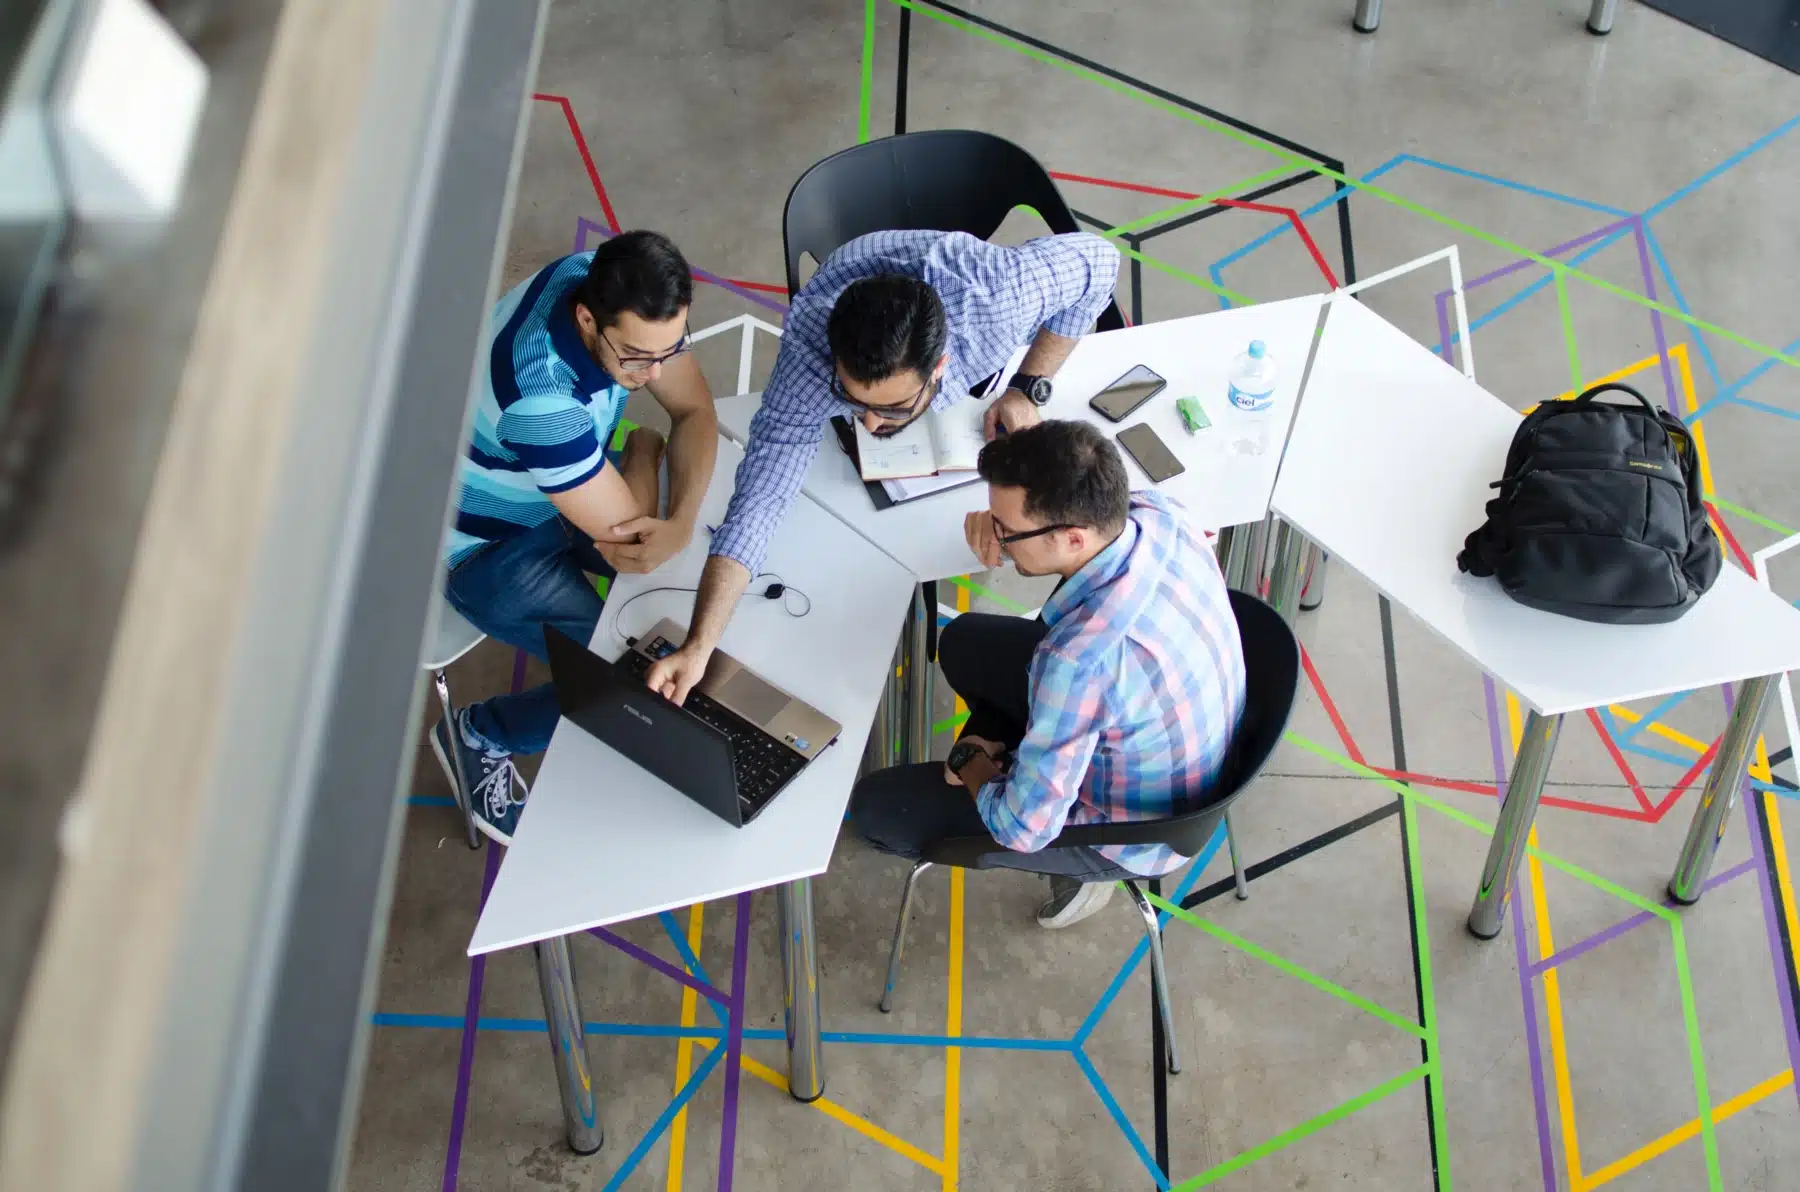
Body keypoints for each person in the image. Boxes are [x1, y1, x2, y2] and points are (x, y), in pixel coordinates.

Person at [643, 229, 1121, 705]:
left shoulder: (998, 300)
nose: (870, 425)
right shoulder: (811, 350)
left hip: (964, 283)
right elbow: (760, 498)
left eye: (892, 409)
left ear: (940, 367)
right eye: (853, 401)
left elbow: (1101, 262)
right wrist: (700, 644)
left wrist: (1028, 384)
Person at [848, 421, 1247, 928]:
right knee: (965, 640)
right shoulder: (1158, 514)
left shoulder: (1077, 661)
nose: (997, 538)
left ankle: (1082, 876)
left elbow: (1021, 827)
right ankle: (1022, 753)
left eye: (1006, 531)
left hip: (1130, 830)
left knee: (877, 808)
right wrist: (995, 523)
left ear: (1072, 537)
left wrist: (972, 758)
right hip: (1182, 744)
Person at [431, 230, 718, 843]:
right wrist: (643, 452)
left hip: (556, 488)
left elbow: (694, 412)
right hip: (484, 549)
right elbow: (633, 548)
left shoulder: (603, 278)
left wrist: (681, 519)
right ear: (587, 319)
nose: (656, 372)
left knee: (679, 585)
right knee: (621, 677)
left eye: (672, 349)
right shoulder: (542, 403)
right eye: (638, 358)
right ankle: (480, 733)